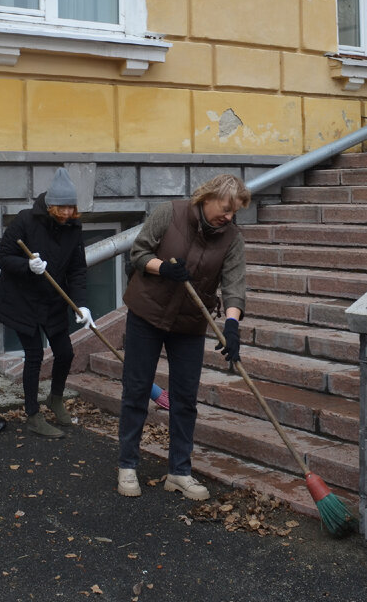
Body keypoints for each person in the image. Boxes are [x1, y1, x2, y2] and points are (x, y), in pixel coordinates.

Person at [116, 173, 250, 500]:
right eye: (225, 208)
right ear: (207, 198)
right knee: (136, 389)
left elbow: (234, 287)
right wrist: (163, 268)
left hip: (189, 322)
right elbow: (138, 253)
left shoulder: (232, 238)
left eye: (235, 212)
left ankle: (179, 471)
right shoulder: (170, 213)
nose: (229, 217)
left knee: (185, 398)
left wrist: (232, 326)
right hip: (147, 313)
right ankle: (128, 465)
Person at [0, 168, 93, 438]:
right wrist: (27, 265)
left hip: (52, 300)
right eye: (61, 209)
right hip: (22, 300)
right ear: (49, 206)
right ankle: (33, 415)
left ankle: (55, 398)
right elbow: (2, 256)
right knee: (34, 356)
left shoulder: (73, 229)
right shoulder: (25, 220)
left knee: (65, 353)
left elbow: (77, 270)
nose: (67, 214)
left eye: (71, 208)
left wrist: (82, 305)